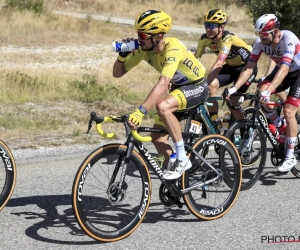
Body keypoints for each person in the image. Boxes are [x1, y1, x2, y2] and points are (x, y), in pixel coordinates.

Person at [113, 10, 208, 180]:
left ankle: (182, 158)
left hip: (197, 86)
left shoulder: (173, 47)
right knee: (157, 138)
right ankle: (178, 181)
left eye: (143, 35)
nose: (139, 39)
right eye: (138, 34)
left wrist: (141, 111)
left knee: (162, 106)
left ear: (157, 36)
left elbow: (163, 83)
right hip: (179, 88)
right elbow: (117, 73)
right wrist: (122, 57)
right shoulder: (144, 50)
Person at [226, 13, 300, 172]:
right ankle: (280, 126)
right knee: (260, 93)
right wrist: (234, 88)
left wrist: (270, 90)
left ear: (275, 30)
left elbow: (285, 69)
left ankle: (290, 155)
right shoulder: (260, 42)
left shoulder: (288, 38)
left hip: (297, 73)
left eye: (265, 34)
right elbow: (249, 67)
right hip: (284, 72)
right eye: (260, 34)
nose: (262, 37)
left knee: (288, 110)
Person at [194, 9, 257, 124]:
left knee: (232, 101)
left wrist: (204, 83)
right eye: (206, 25)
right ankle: (215, 121)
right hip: (231, 68)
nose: (208, 29)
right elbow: (194, 60)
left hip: (246, 68)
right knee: (210, 87)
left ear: (221, 28)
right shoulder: (204, 39)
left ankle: (245, 131)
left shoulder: (227, 38)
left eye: (212, 25)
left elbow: (219, 63)